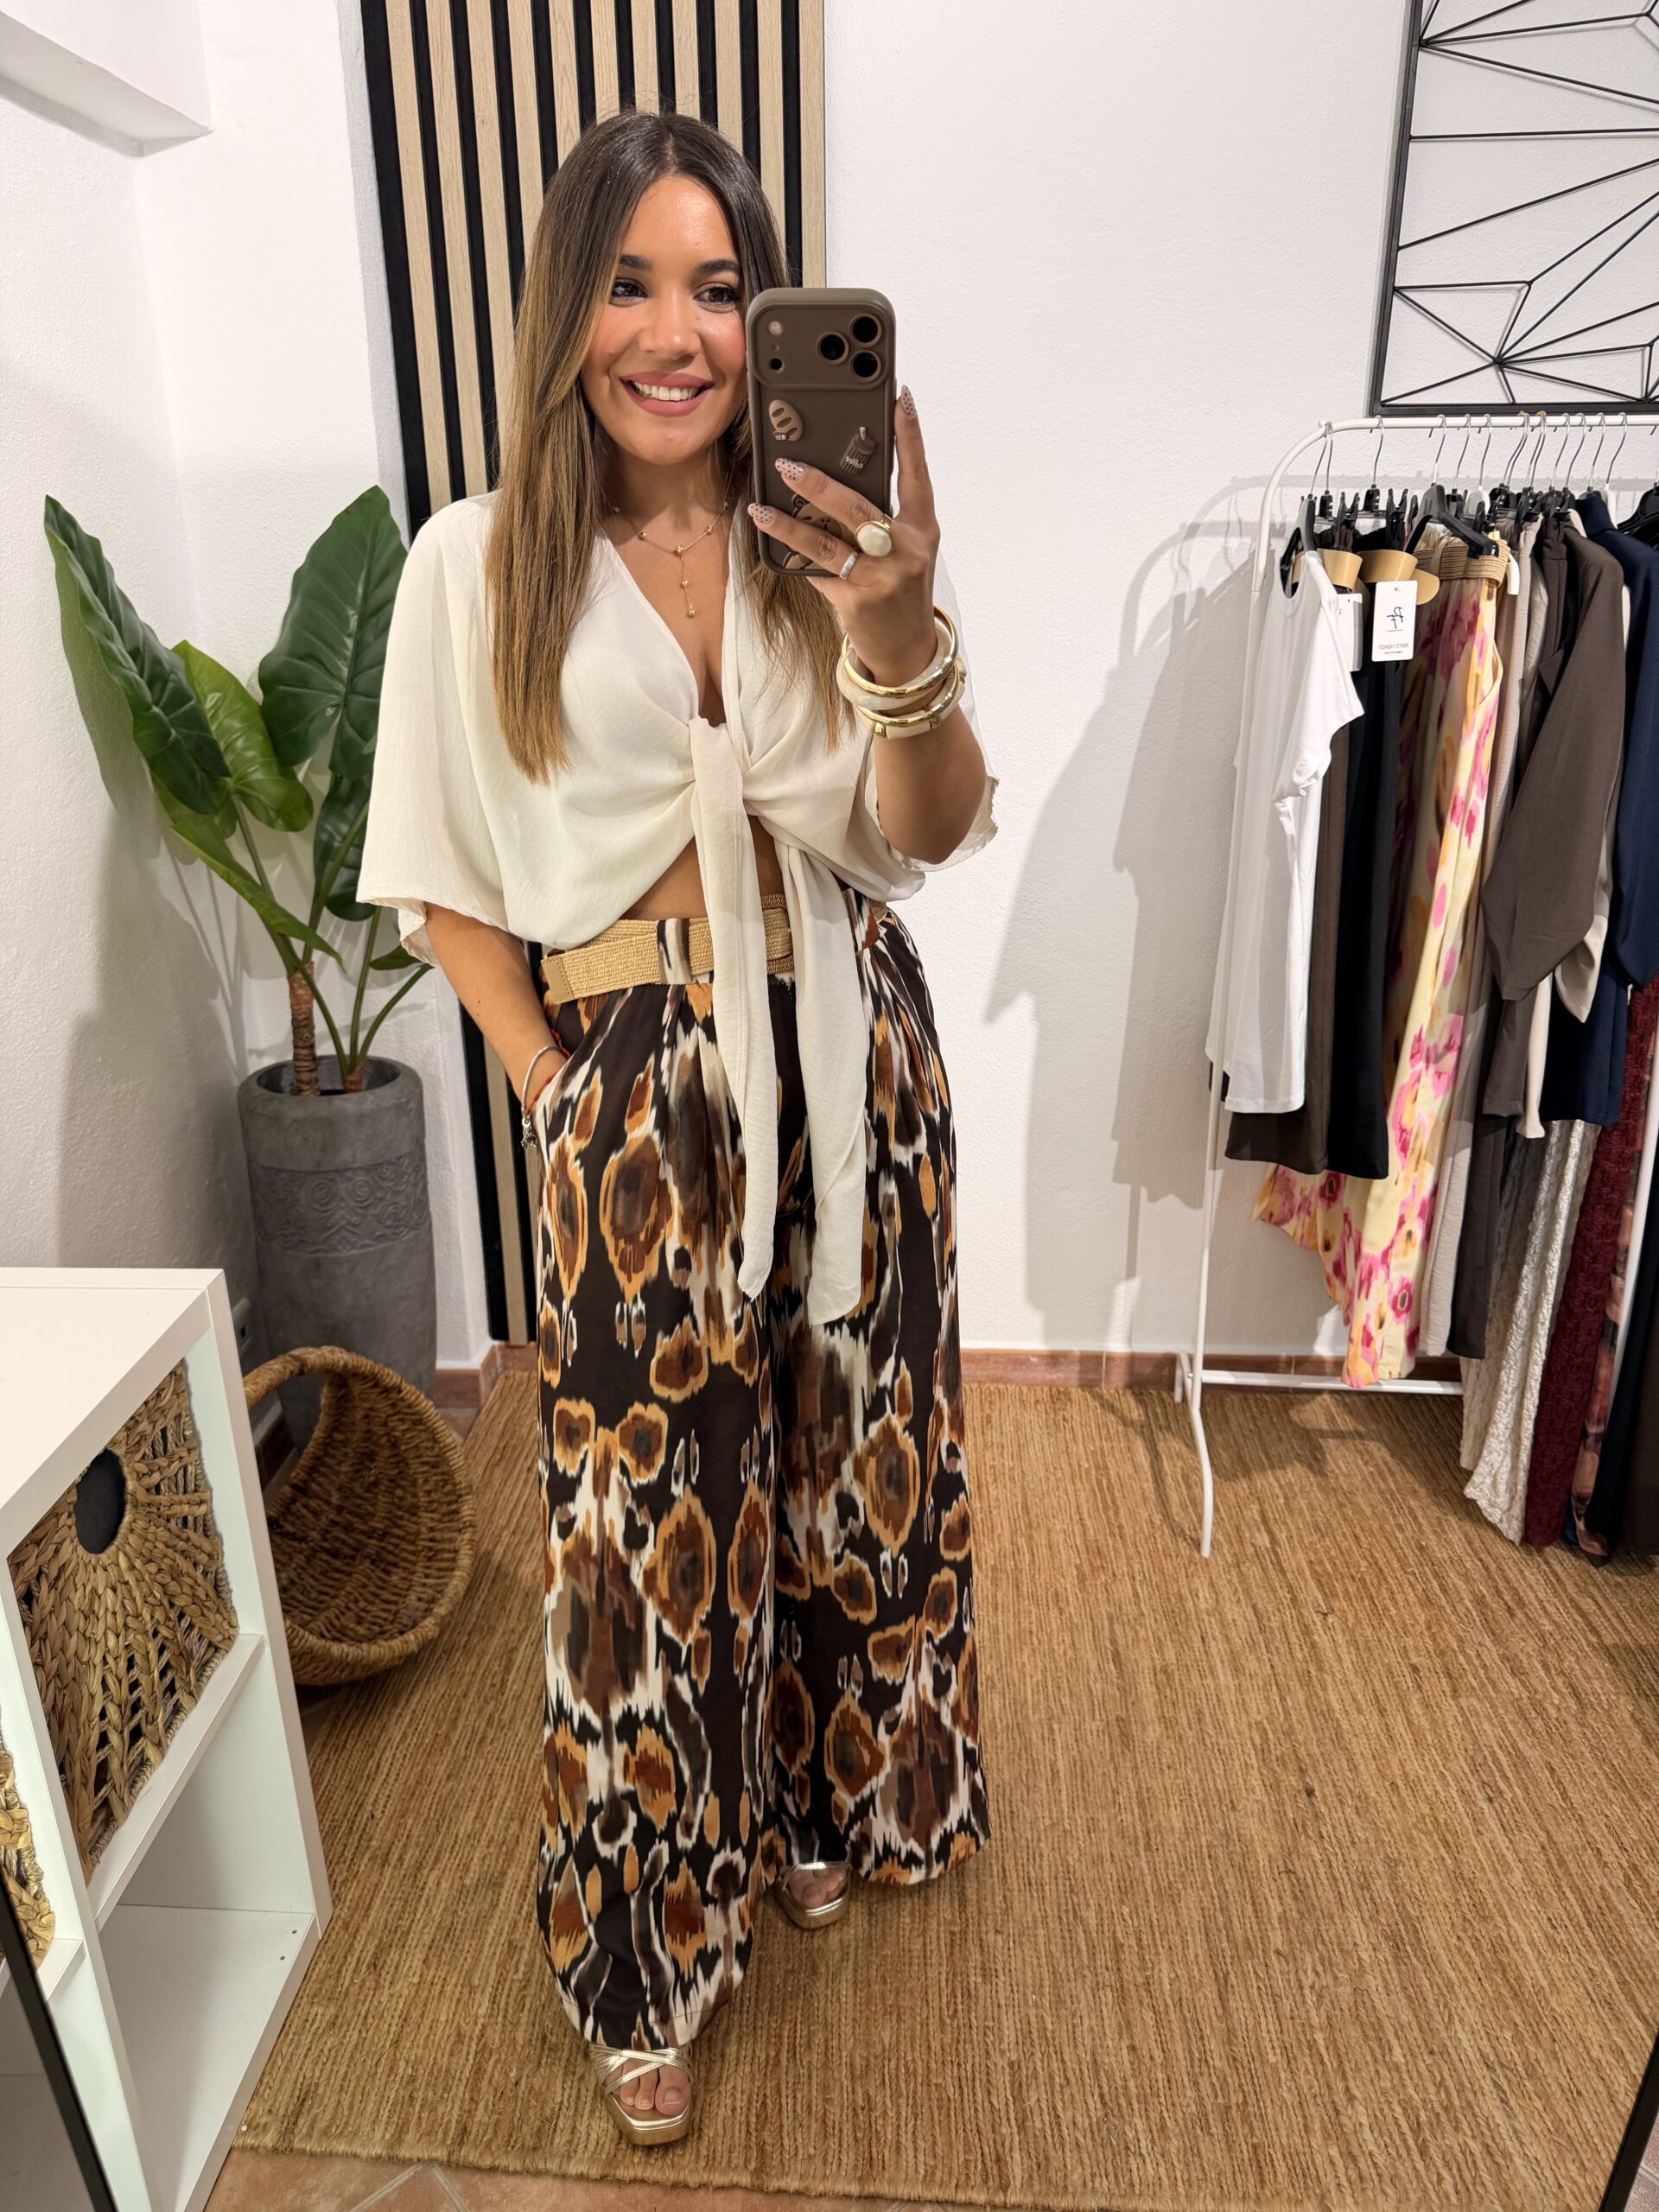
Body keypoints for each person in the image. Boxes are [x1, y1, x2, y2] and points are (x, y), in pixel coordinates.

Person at [357, 105, 996, 2147]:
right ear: (568, 306)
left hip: (857, 1044)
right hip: (640, 1084)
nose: (678, 332)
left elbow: (931, 828)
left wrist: (894, 625)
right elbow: (440, 875)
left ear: (769, 315)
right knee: (641, 1522)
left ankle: (812, 1795)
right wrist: (553, 1083)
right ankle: (642, 1935)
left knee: (847, 1448)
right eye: (630, 282)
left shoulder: (833, 533)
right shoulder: (476, 560)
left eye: (721, 288)